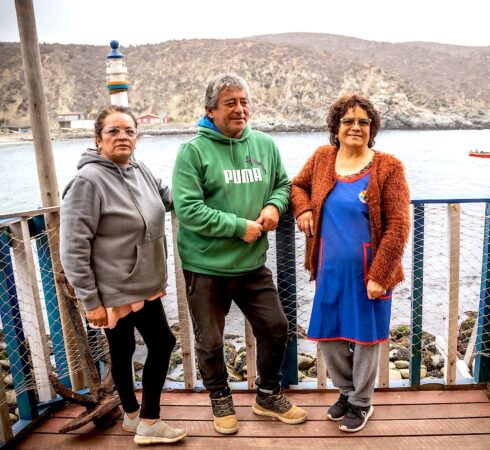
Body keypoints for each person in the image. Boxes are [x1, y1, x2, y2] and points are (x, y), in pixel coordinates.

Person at [172, 73, 307, 435]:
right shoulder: (193, 152)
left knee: (277, 328)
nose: (240, 109)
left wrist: (276, 208)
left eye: (244, 101)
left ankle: (267, 395)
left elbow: (282, 184)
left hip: (251, 264)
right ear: (210, 111)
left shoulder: (264, 144)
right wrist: (237, 226)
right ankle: (220, 398)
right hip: (206, 266)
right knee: (210, 340)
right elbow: (188, 209)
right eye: (230, 102)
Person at [60, 105, 187, 445]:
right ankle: (150, 421)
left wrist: (206, 192)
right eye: (113, 131)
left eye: (129, 131)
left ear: (137, 137)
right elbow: (73, 249)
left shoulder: (140, 168)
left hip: (143, 284)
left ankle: (132, 416)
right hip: (115, 289)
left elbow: (170, 198)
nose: (123, 137)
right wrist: (91, 302)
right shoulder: (86, 182)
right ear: (97, 138)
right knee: (163, 343)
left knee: (123, 348)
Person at [291, 94, 410, 433]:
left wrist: (381, 275)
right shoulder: (322, 158)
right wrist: (304, 209)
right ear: (336, 127)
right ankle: (345, 392)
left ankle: (361, 403)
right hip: (328, 269)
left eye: (363, 122)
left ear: (372, 130)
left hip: (369, 273)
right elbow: (297, 186)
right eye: (348, 121)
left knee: (366, 338)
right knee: (329, 336)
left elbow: (398, 226)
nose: (355, 127)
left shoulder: (388, 166)